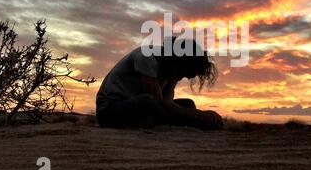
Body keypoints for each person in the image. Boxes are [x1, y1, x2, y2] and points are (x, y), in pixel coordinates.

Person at [96, 37, 224, 130]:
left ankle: (156, 122)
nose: (181, 77)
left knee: (188, 104)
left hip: (142, 109)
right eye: (184, 72)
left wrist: (194, 114)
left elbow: (167, 102)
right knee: (149, 101)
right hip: (110, 111)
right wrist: (199, 116)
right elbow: (158, 101)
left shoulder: (173, 70)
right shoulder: (146, 56)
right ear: (180, 62)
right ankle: (181, 123)